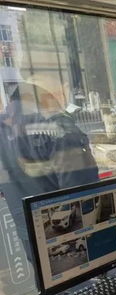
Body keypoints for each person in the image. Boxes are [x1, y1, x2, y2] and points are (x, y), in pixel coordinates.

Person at [0, 82, 99, 261]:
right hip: (69, 232)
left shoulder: (3, 129)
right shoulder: (58, 128)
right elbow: (82, 187)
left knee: (50, 283)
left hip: (28, 230)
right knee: (86, 282)